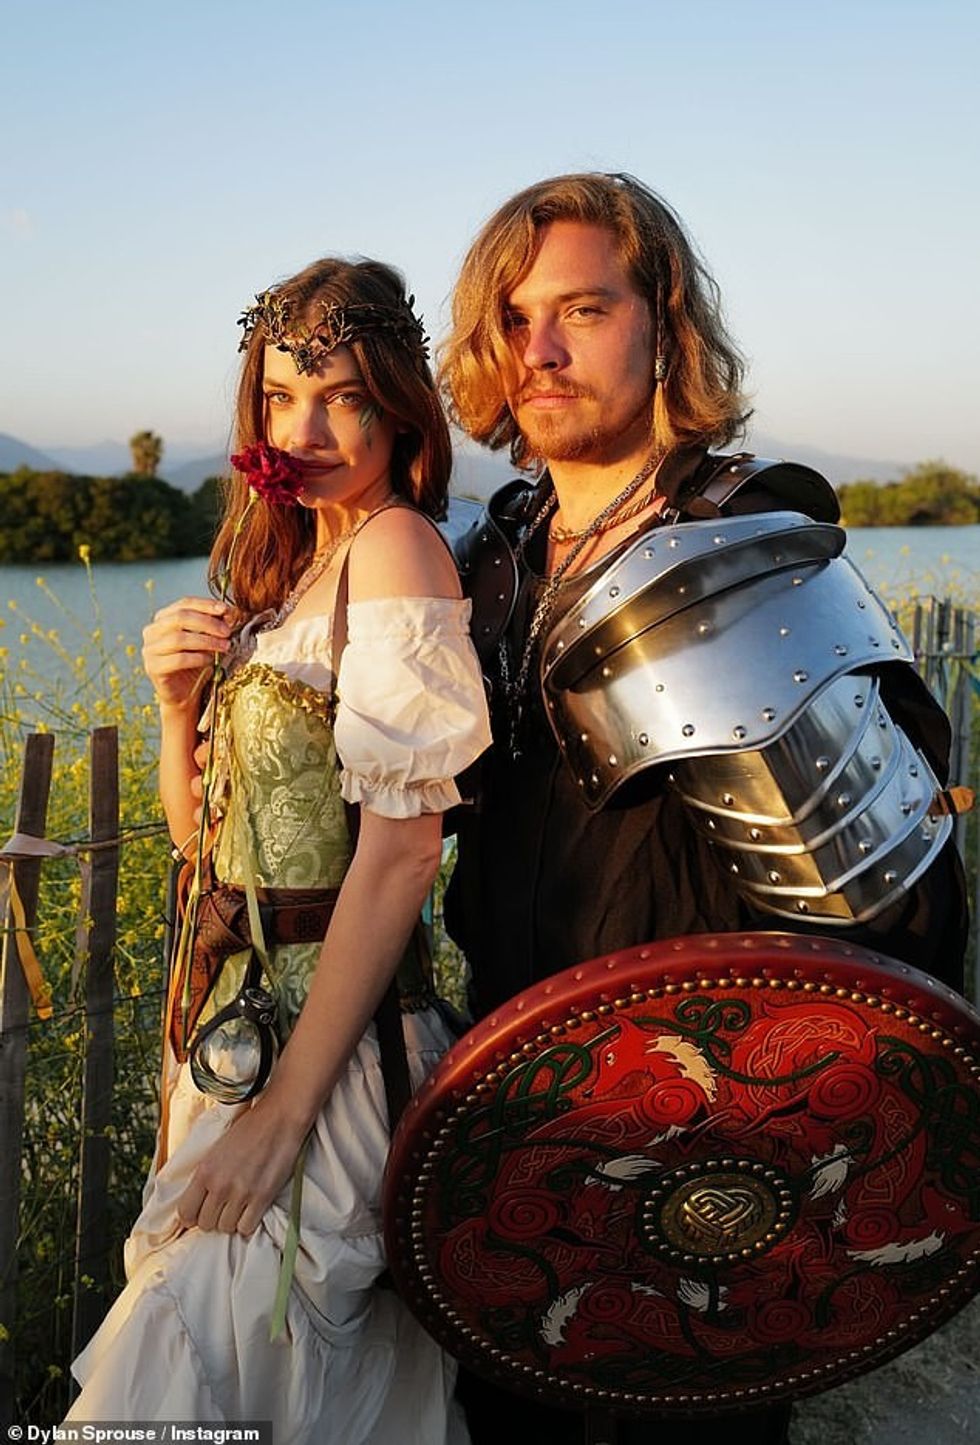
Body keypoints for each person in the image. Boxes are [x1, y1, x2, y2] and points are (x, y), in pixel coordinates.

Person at [438, 173, 969, 1445]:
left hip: (718, 1158)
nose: (540, 351)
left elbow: (892, 922)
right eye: (511, 319)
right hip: (516, 1140)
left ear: (662, 321)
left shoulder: (734, 548)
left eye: (581, 308)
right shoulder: (485, 559)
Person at [66, 257, 490, 1442]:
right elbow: (200, 841)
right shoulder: (288, 570)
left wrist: (284, 1115)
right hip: (233, 1039)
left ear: (398, 405)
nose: (300, 430)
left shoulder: (397, 550)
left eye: (342, 395)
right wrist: (172, 703)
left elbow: (403, 855)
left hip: (330, 1058)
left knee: (194, 1350)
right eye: (278, 394)